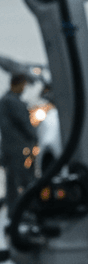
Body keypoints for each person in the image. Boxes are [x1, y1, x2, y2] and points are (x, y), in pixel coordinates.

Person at [0, 73, 38, 205]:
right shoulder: (13, 102)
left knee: (12, 182)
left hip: (9, 147)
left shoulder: (4, 100)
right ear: (18, 84)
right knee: (25, 180)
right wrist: (35, 136)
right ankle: (27, 208)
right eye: (23, 85)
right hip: (19, 148)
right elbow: (25, 124)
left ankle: (14, 210)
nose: (24, 89)